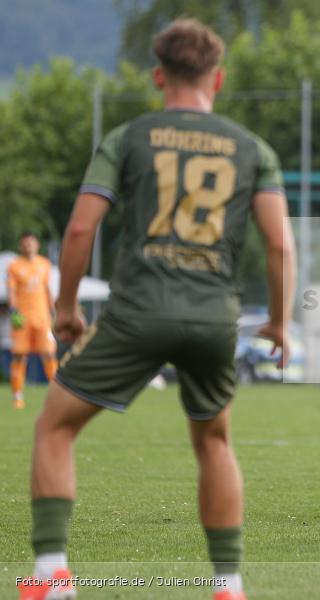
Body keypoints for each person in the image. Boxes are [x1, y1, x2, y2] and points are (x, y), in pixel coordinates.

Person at [18, 19, 295, 600]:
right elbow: (278, 245)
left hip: (137, 313)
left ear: (157, 76)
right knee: (214, 442)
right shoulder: (252, 149)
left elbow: (78, 230)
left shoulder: (129, 137)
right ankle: (228, 585)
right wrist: (278, 320)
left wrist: (66, 308)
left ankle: (50, 576)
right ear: (216, 78)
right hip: (214, 318)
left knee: (54, 425)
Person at [6, 232, 57, 409]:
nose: (28, 246)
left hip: (42, 318)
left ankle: (55, 396)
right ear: (21, 246)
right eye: (25, 243)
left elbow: (47, 289)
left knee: (49, 354)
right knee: (19, 356)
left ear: (37, 245)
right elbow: (11, 290)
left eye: (31, 243)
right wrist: (13, 310)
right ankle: (17, 396)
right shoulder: (14, 265)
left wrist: (53, 310)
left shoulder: (45, 264)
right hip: (22, 318)